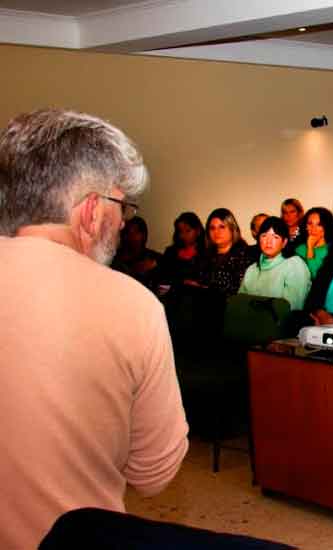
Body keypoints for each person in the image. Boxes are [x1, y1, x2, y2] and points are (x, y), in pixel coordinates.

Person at [0, 108, 188, 549]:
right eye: (120, 205)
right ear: (90, 210)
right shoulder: (131, 304)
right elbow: (155, 473)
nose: (123, 222)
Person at [239, 216, 311, 311]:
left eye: (275, 237)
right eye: (264, 235)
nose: (268, 241)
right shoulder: (252, 269)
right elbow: (239, 302)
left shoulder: (295, 265)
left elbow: (292, 307)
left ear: (284, 242)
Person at [158, 211, 206, 292]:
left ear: (198, 231)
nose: (183, 235)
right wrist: (181, 282)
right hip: (171, 297)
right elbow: (162, 281)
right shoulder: (170, 253)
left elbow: (206, 284)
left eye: (188, 231)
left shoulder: (206, 255)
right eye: (180, 231)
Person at [111, 216, 162, 289]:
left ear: (143, 235)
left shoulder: (154, 258)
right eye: (126, 233)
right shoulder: (114, 257)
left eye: (133, 233)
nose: (128, 237)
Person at [294, 207, 333, 278]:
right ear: (306, 226)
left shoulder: (332, 251)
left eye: (319, 224)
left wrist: (310, 248)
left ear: (326, 227)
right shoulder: (299, 249)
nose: (313, 228)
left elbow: (315, 277)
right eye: (310, 223)